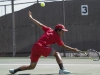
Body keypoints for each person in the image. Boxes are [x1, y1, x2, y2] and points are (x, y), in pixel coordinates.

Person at [9, 11, 80, 74]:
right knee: (57, 54)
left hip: (35, 47)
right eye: (62, 31)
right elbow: (63, 46)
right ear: (58, 30)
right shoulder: (57, 37)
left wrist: (31, 17)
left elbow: (39, 24)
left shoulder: (49, 29)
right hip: (41, 47)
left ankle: (14, 71)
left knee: (31, 66)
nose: (63, 33)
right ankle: (62, 69)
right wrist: (74, 50)